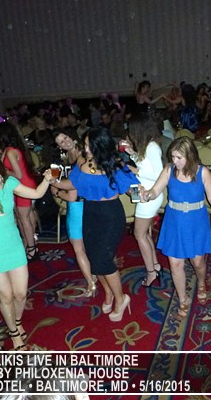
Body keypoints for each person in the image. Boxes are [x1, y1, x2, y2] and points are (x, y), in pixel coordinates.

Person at [51, 127, 138, 322]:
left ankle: (121, 298)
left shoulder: (115, 164)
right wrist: (53, 181)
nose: (85, 149)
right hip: (90, 212)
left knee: (103, 260)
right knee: (93, 258)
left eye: (89, 145)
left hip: (110, 215)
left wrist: (141, 193)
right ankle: (108, 293)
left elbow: (133, 188)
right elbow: (71, 184)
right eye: (85, 145)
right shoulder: (83, 163)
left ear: (100, 146)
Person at [140, 137, 211, 320]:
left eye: (179, 157)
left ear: (190, 155)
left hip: (196, 221)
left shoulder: (202, 172)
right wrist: (147, 195)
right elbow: (156, 190)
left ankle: (201, 282)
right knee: (175, 264)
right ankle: (183, 299)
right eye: (173, 157)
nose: (175, 161)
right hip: (174, 221)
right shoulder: (169, 170)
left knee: (198, 263)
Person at [0, 158, 54, 350]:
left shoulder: (10, 183)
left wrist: (47, 179)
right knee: (6, 297)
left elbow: (36, 193)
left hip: (14, 246)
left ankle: (17, 321)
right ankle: (14, 333)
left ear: (3, 176)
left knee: (20, 294)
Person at [121, 113, 164, 288]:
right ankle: (155, 266)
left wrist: (135, 171)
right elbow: (144, 164)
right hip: (145, 192)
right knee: (144, 234)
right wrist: (132, 153)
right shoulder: (147, 145)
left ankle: (151, 272)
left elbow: (158, 174)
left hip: (149, 195)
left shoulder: (152, 147)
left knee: (139, 234)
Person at [53, 130, 95, 295]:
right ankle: (93, 278)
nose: (65, 142)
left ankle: (91, 282)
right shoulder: (60, 161)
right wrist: (57, 188)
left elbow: (69, 194)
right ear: (59, 147)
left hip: (81, 206)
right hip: (85, 204)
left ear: (72, 137)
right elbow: (53, 181)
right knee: (85, 246)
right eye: (61, 142)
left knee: (79, 247)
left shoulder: (84, 157)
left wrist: (58, 192)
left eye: (65, 137)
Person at [0, 122, 39, 259]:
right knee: (25, 216)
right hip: (24, 184)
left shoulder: (10, 151)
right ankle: (30, 243)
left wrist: (5, 171)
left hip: (23, 185)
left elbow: (18, 174)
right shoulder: (13, 149)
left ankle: (31, 248)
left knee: (23, 218)